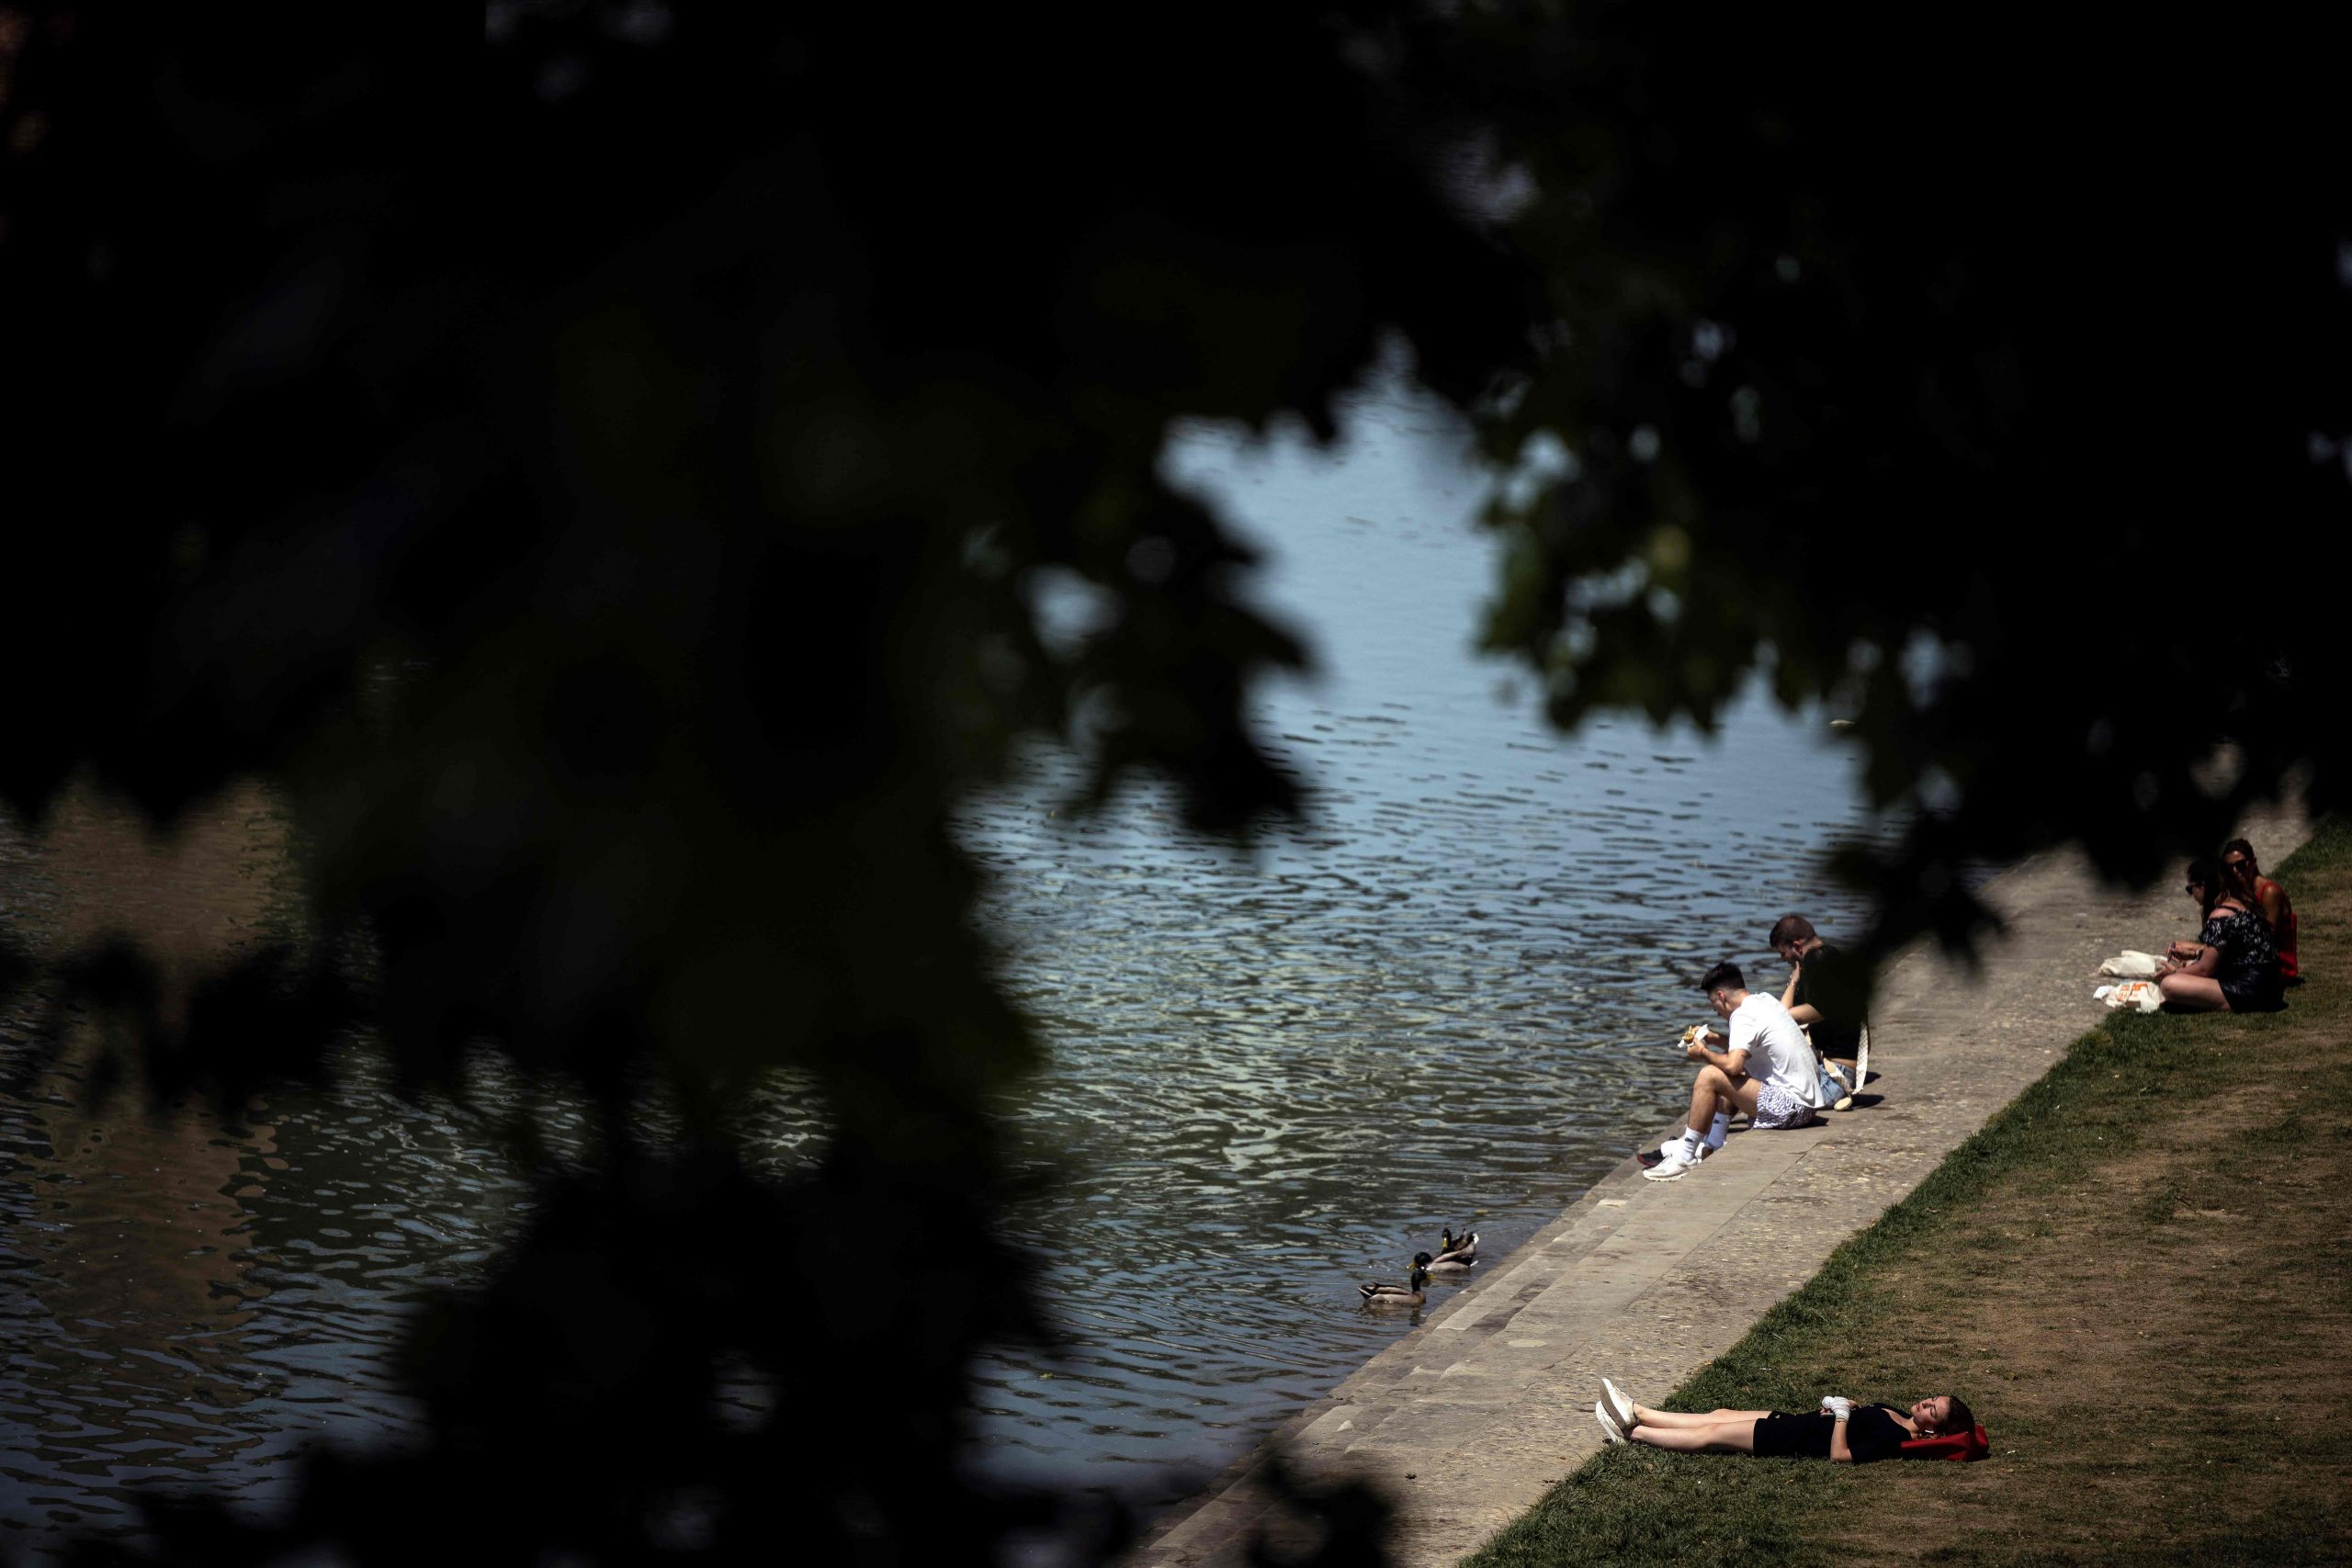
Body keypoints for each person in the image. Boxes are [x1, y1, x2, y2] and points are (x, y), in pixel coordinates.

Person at [1643, 962, 1829, 1181]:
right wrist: (1714, 1038)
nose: (1718, 1013)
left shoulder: (1741, 1015)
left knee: (1710, 1075)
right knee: (1729, 1075)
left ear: (1721, 996)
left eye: (1715, 1007)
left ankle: (1685, 1157)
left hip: (1791, 1109)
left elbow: (1734, 1065)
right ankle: (1714, 1143)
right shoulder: (1764, 1000)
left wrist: (1703, 1052)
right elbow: (1744, 1049)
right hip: (1807, 1105)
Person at [1595, 1379, 1984, 1463]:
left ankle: (1635, 1430)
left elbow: (1841, 1457)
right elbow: (1858, 1414)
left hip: (1792, 1440)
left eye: (1932, 1409)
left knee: (1711, 1435)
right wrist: (1845, 1405)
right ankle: (1638, 1413)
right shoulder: (1895, 1415)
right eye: (1933, 1397)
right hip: (1796, 1422)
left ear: (1933, 1429)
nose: (1925, 1402)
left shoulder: (1894, 1442)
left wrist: (1842, 1419)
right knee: (1720, 1415)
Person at [2155, 857, 2282, 1013]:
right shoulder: (2241, 903)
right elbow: (2233, 951)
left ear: (2202, 886)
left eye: (2191, 889)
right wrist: (2193, 954)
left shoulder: (2220, 915)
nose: (2192, 895)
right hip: (2270, 988)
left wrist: (2174, 972)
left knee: (2170, 984)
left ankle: (2219, 1003)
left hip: (2250, 990)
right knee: (2189, 965)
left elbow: (2204, 970)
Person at [1769, 913, 1869, 1111]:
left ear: (1797, 946)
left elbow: (1783, 1015)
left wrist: (1793, 983)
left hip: (1832, 1080)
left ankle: (1712, 1135)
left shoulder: (1818, 961)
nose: (1782, 959)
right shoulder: (1828, 957)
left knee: (1753, 1087)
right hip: (1835, 1074)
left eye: (1782, 953)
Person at [2222, 838, 2298, 983]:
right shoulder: (2239, 890)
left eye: (2240, 865)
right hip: (2252, 958)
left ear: (2253, 862)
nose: (2235, 871)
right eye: (2229, 868)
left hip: (2276, 965)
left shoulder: (2269, 892)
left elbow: (2267, 938)